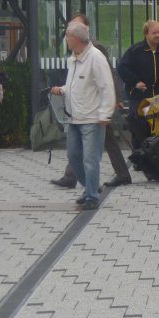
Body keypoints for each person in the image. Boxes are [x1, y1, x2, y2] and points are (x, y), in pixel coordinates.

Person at [51, 15, 132, 189]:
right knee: (88, 147)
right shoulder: (74, 53)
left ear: (85, 29)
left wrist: (113, 101)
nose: (71, 29)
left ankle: (83, 183)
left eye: (76, 25)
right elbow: (77, 82)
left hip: (96, 109)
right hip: (84, 110)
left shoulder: (95, 49)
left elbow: (108, 76)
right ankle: (117, 174)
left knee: (91, 153)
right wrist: (64, 89)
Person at [51, 21, 116, 210]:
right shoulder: (74, 58)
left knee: (90, 159)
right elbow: (76, 85)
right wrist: (62, 90)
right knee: (73, 156)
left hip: (92, 119)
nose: (65, 40)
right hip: (74, 118)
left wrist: (105, 114)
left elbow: (107, 87)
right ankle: (90, 188)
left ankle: (92, 197)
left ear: (75, 38)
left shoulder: (96, 58)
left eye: (67, 36)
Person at [117, 20, 159, 149]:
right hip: (139, 96)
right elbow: (122, 67)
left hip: (158, 94)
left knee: (158, 122)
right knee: (138, 122)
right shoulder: (136, 51)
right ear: (146, 34)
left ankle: (156, 152)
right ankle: (139, 154)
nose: (158, 35)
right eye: (154, 32)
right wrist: (135, 82)